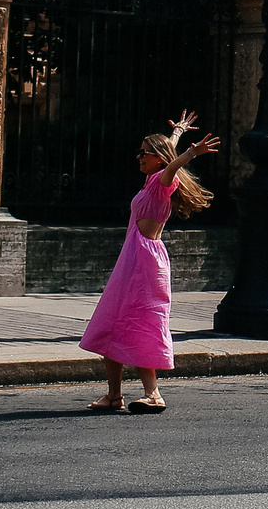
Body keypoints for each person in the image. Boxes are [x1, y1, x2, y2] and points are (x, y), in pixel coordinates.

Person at [79, 113, 220, 413]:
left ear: (156, 160)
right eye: (140, 151)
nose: (139, 156)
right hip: (131, 261)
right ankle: (114, 396)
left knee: (140, 325)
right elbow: (166, 152)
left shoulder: (161, 180)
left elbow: (171, 164)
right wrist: (178, 132)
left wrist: (190, 153)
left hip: (144, 264)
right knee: (111, 324)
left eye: (144, 152)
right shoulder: (151, 180)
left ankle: (153, 394)